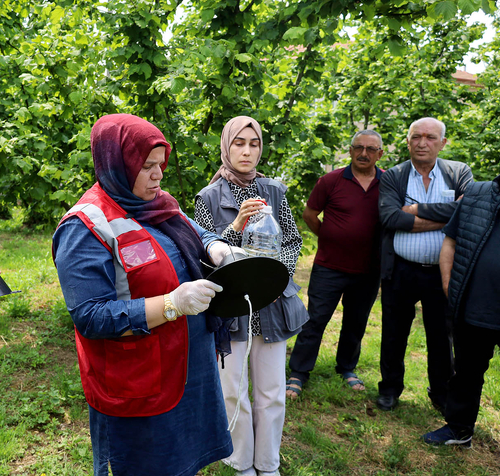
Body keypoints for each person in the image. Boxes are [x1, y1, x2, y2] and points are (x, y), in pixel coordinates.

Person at [52, 114, 234, 476]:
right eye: (147, 166)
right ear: (118, 164)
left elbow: (192, 230)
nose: (158, 175)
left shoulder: (156, 202)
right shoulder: (85, 226)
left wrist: (218, 248)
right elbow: (90, 316)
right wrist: (170, 304)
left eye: (160, 164)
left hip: (187, 369)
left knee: (182, 464)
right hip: (139, 381)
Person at [422, 131, 500, 476]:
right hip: (474, 310)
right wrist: (450, 285)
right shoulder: (476, 195)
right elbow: (451, 240)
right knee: (465, 375)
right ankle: (458, 429)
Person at [195, 115, 307, 476]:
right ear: (226, 146)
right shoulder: (209, 197)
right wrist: (236, 226)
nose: (247, 151)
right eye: (239, 143)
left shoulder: (273, 190)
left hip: (272, 307)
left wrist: (276, 281)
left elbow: (291, 241)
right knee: (233, 390)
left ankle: (268, 464)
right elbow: (204, 257)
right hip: (232, 307)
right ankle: (242, 462)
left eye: (254, 143)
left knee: (272, 391)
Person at [376, 117, 473, 413]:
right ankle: (390, 388)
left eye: (430, 137)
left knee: (441, 335)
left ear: (442, 143)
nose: (422, 142)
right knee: (394, 332)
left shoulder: (458, 172)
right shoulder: (394, 176)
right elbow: (391, 218)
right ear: (407, 141)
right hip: (401, 269)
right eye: (416, 136)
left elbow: (467, 209)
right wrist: (445, 217)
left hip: (443, 273)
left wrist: (417, 209)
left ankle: (442, 392)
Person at [286, 130, 384, 399]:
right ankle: (299, 372)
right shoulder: (331, 180)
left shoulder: (388, 183)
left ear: (380, 154)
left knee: (356, 321)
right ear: (351, 150)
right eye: (358, 147)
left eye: (370, 149)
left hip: (369, 269)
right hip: (330, 266)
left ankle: (347, 368)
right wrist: (330, 237)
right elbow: (309, 214)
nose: (364, 153)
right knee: (315, 319)